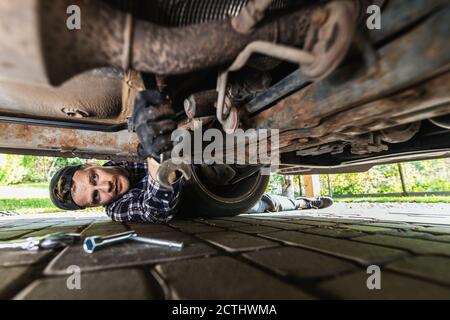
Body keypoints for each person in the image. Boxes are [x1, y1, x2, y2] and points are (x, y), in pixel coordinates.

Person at [49, 90, 333, 222]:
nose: (105, 187)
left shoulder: (118, 161)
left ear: (90, 164)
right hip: (217, 195)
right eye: (96, 196)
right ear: (96, 207)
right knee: (269, 205)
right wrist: (156, 152)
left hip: (208, 150)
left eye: (94, 178)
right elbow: (156, 209)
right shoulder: (117, 210)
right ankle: (305, 201)